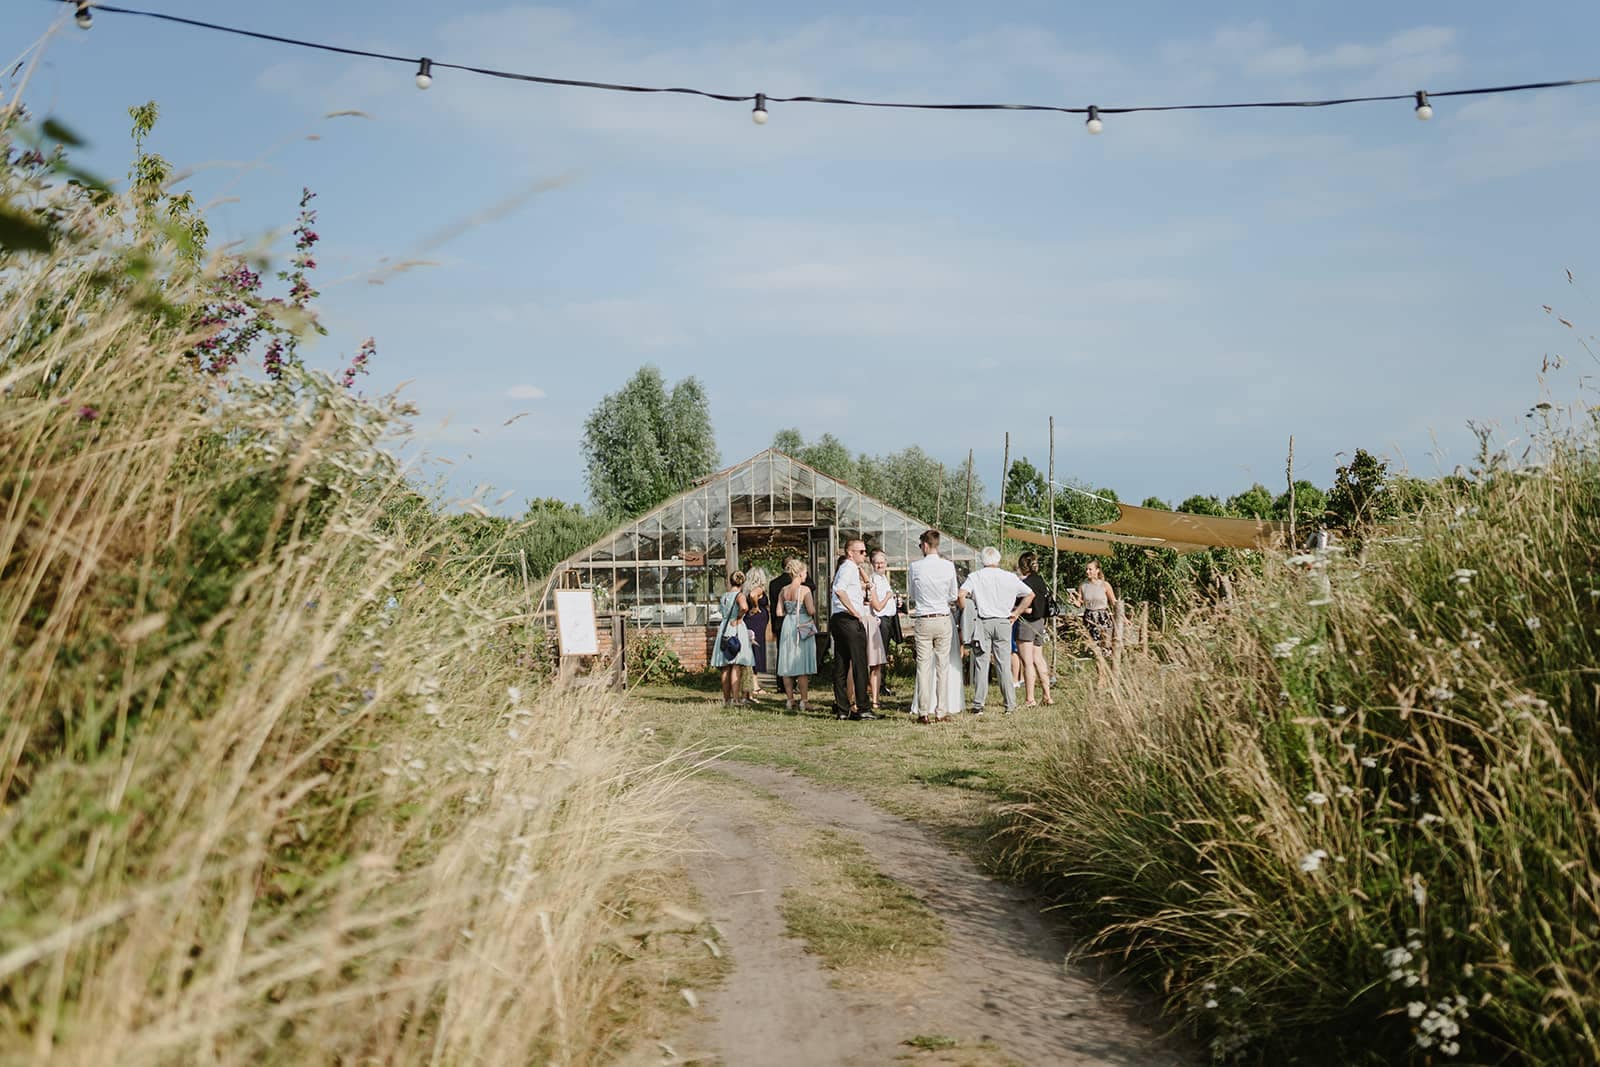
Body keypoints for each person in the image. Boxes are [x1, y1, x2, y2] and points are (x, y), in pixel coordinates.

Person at [958, 547, 1034, 715]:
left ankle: (978, 704)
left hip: (983, 621)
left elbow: (961, 594)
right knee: (1004, 664)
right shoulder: (1009, 577)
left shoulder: (975, 576)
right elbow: (1030, 594)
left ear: (982, 560)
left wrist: (967, 613)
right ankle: (1010, 703)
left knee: (981, 663)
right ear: (998, 560)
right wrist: (1016, 612)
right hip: (1003, 622)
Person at [906, 529, 959, 723]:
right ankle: (941, 710)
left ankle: (923, 711)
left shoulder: (915, 567)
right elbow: (953, 595)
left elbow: (911, 594)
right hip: (942, 617)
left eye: (921, 546)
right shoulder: (948, 566)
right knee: (942, 666)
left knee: (923, 666)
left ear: (926, 545)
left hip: (923, 618)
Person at [829, 538, 874, 720]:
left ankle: (842, 708)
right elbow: (839, 590)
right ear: (850, 553)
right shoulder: (848, 568)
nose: (864, 554)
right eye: (861, 551)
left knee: (841, 663)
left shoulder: (849, 569)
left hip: (839, 619)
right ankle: (863, 707)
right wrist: (854, 611)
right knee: (859, 663)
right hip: (848, 620)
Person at [775, 559, 819, 711]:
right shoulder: (805, 590)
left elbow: (779, 612)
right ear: (800, 573)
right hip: (802, 625)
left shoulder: (783, 590)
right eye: (805, 572)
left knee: (787, 662)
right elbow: (812, 610)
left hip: (788, 625)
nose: (806, 575)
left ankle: (790, 699)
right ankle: (804, 700)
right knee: (801, 664)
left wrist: (790, 610)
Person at [1014, 551, 1054, 706]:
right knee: (1039, 659)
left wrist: (1015, 610)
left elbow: (1026, 606)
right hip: (1040, 622)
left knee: (1027, 662)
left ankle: (1030, 698)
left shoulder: (1025, 584)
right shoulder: (1041, 581)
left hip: (1027, 623)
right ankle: (1047, 695)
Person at [710, 570, 756, 706]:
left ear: (730, 581)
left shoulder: (725, 595)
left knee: (725, 665)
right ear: (743, 582)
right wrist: (738, 618)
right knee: (736, 663)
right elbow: (744, 607)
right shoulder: (740, 595)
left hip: (724, 627)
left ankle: (726, 699)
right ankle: (736, 699)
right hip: (735, 627)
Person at [864, 549, 895, 711]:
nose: (880, 565)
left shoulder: (883, 578)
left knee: (883, 656)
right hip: (880, 620)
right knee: (877, 658)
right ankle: (875, 686)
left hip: (888, 619)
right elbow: (877, 605)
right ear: (872, 564)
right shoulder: (873, 580)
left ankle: (880, 685)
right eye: (877, 562)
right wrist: (889, 597)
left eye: (882, 562)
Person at [1076, 560, 1118, 660]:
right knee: (1095, 651)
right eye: (1086, 569)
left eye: (1090, 569)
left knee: (1105, 649)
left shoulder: (1105, 585)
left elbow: (1114, 603)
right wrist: (1074, 601)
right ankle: (1099, 673)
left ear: (1097, 570)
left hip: (1102, 618)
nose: (1087, 572)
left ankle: (1106, 673)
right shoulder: (1083, 585)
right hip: (1089, 618)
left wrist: (1124, 618)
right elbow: (1079, 603)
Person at [740, 569, 771, 696]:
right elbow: (754, 595)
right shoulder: (758, 589)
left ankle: (753, 683)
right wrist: (756, 607)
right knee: (756, 649)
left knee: (752, 648)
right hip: (756, 622)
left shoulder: (745, 591)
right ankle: (755, 685)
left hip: (751, 621)